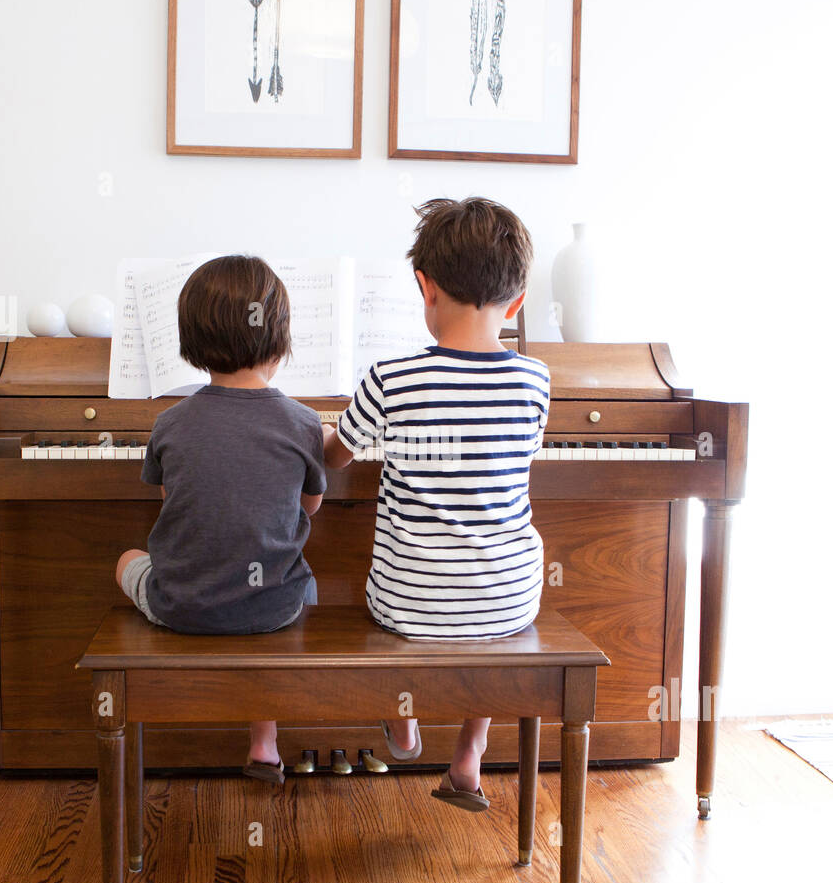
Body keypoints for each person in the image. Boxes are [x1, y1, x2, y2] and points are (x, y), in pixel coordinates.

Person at [323, 198, 550, 811]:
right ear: (519, 299)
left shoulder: (390, 378)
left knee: (399, 581)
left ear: (425, 288)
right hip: (506, 600)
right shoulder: (535, 381)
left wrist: (321, 428)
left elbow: (336, 455)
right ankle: (470, 754)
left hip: (411, 603)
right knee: (501, 591)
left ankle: (401, 723)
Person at [116, 255, 325, 786]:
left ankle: (179, 739)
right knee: (298, 577)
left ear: (191, 342)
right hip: (274, 609)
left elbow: (175, 502)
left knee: (127, 559)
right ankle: (264, 742)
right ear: (279, 341)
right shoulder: (302, 423)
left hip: (182, 604)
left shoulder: (170, 423)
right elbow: (307, 508)